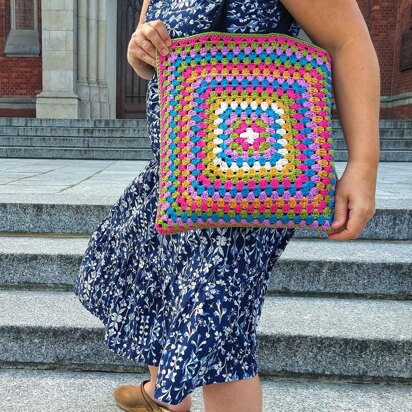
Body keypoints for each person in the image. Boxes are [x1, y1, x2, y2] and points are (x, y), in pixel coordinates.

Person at [73, 0, 380, 411]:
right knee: (141, 274)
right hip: (176, 170)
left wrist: (363, 164)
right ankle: (162, 396)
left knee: (219, 333)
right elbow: (151, 47)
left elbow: (348, 41)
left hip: (251, 185)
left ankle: (165, 398)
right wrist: (141, 50)